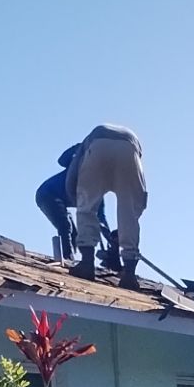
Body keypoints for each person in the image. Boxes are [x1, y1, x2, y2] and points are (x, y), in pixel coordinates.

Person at [66, 124, 147, 289]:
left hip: (98, 145)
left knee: (87, 208)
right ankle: (129, 275)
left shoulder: (88, 141)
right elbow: (139, 198)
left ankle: (87, 264)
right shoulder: (133, 142)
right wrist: (135, 210)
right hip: (130, 150)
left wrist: (76, 196)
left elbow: (73, 170)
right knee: (128, 213)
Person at [35, 144, 113, 264]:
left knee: (75, 234)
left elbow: (101, 218)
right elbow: (61, 160)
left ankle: (76, 260)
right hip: (47, 194)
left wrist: (111, 241)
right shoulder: (79, 166)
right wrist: (80, 147)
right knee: (65, 226)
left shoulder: (98, 191)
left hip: (61, 200)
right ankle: (68, 258)